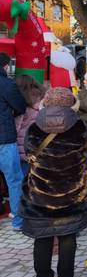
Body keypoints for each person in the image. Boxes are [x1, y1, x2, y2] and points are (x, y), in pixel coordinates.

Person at [20, 87, 87, 277]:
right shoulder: (81, 128)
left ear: (46, 103)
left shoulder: (34, 128)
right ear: (71, 104)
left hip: (39, 197)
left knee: (42, 240)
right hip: (72, 196)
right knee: (67, 239)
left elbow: (28, 152)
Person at [0, 52, 26, 231]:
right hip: (5, 138)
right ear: (4, 66)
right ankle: (18, 222)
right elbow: (20, 106)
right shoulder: (7, 84)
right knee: (14, 180)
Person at [15, 75, 46, 175]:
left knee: (22, 174)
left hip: (22, 145)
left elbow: (17, 127)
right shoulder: (42, 98)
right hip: (38, 144)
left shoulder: (21, 103)